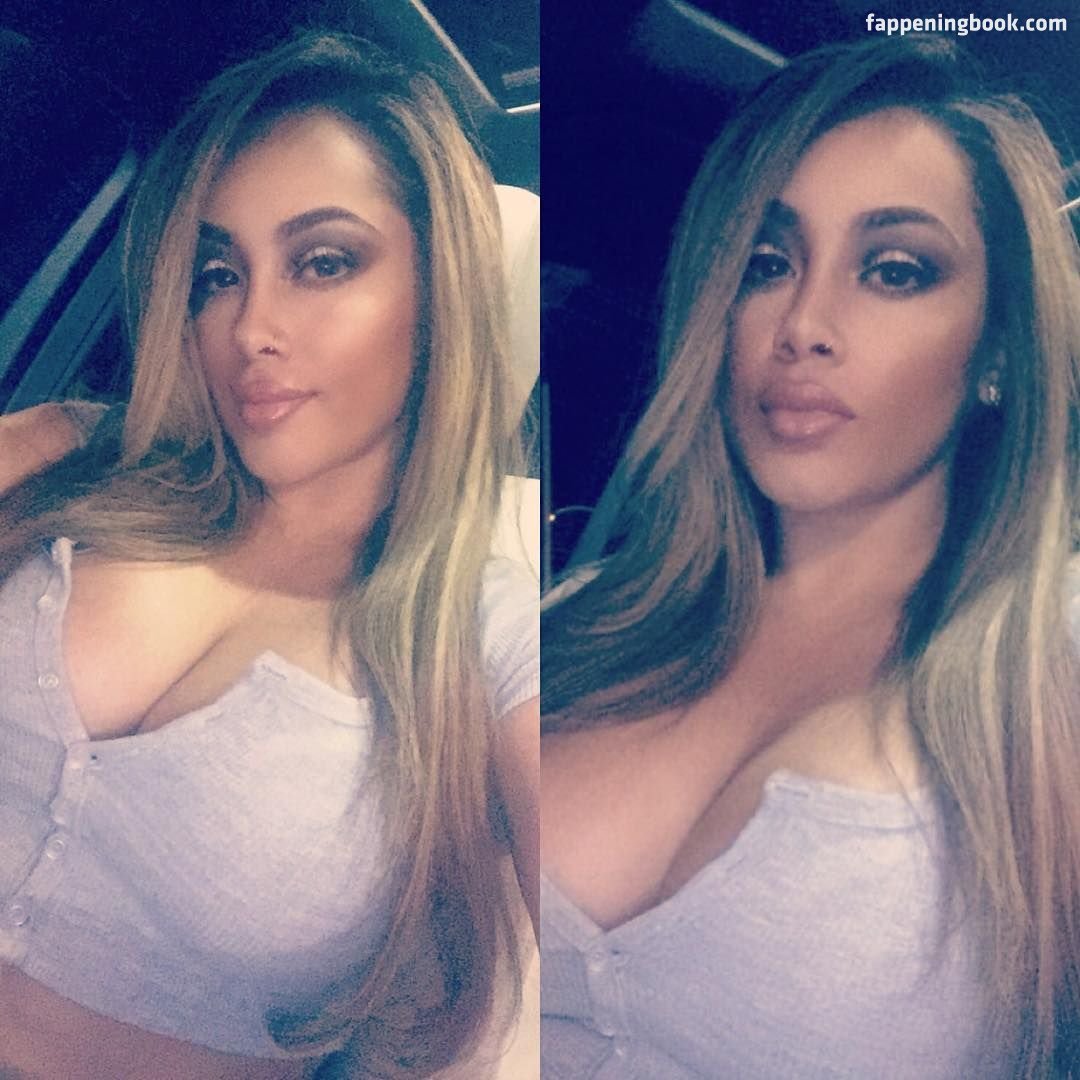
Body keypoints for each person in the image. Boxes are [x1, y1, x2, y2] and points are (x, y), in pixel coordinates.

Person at [0, 30, 538, 1080]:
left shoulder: (492, 639)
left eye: (322, 262)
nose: (251, 327)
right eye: (218, 274)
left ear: (440, 291)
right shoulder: (75, 455)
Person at [540, 35, 1079, 1079]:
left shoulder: (1049, 667)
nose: (804, 324)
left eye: (894, 270)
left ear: (1001, 352)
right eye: (767, 264)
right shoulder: (586, 615)